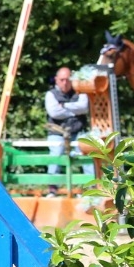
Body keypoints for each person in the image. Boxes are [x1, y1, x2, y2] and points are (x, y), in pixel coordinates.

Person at [44, 67, 89, 195]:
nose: (65, 83)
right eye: (62, 80)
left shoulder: (81, 92)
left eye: (68, 80)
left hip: (78, 132)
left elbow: (84, 107)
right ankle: (52, 188)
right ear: (56, 80)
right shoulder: (51, 94)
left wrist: (64, 106)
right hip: (57, 133)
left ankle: (90, 187)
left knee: (87, 151)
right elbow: (54, 113)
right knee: (56, 154)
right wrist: (74, 111)